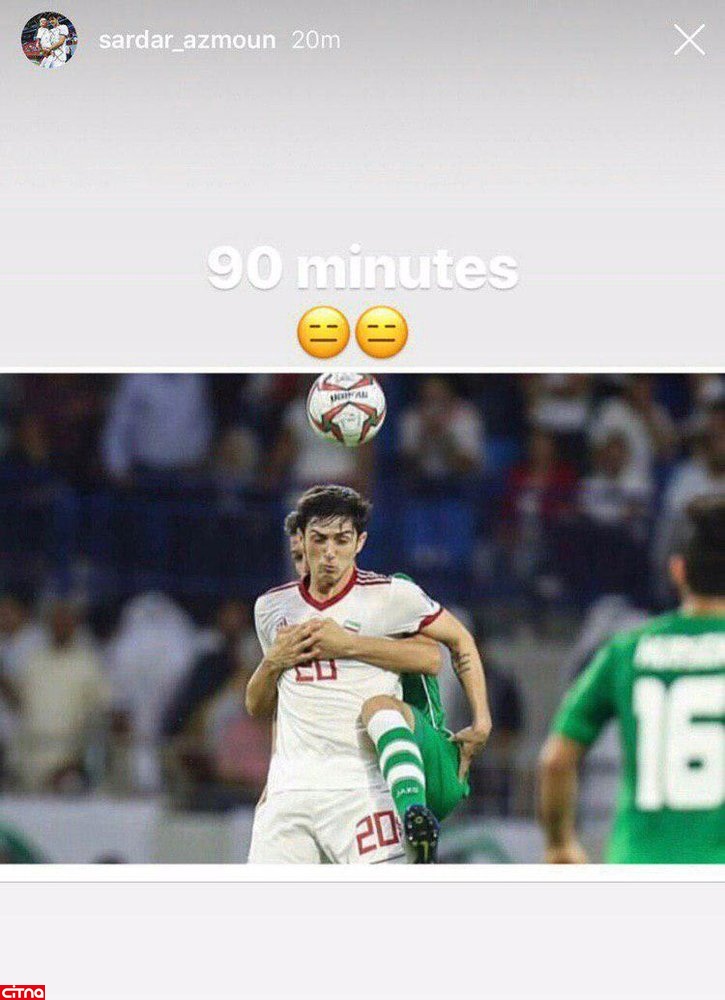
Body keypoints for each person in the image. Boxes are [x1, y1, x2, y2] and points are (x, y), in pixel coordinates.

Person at [246, 484, 491, 864]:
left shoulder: (389, 595)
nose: (329, 552)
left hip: (361, 788)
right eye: (319, 539)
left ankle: (413, 813)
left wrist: (482, 719)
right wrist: (273, 661)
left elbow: (456, 643)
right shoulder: (271, 607)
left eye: (341, 540)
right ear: (303, 540)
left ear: (360, 542)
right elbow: (265, 705)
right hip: (289, 793)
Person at [538, 496, 724, 863]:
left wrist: (559, 844)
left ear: (678, 571)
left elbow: (556, 761)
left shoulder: (626, 651)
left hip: (638, 866)